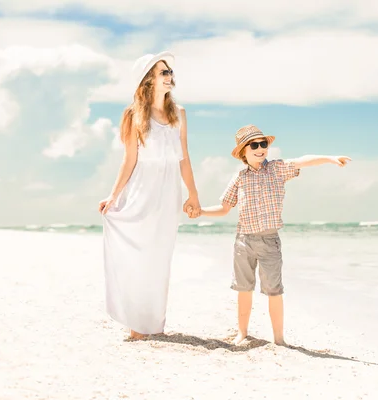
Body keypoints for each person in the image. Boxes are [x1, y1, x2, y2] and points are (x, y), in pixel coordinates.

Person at [189, 124, 351, 346]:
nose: (260, 148)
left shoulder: (277, 169)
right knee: (244, 289)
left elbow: (304, 160)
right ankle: (242, 333)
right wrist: (200, 211)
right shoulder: (239, 177)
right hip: (243, 241)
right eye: (254, 145)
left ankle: (279, 339)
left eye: (263, 144)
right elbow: (225, 208)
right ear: (243, 152)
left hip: (270, 241)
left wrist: (330, 158)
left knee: (274, 291)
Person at [98, 51, 201, 341]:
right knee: (138, 256)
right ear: (148, 81)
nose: (169, 76)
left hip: (169, 191)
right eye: (162, 72)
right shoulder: (133, 115)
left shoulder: (179, 114)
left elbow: (184, 158)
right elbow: (129, 159)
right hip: (142, 188)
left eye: (169, 72)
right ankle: (136, 324)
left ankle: (154, 324)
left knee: (160, 259)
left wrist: (192, 194)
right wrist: (113, 195)